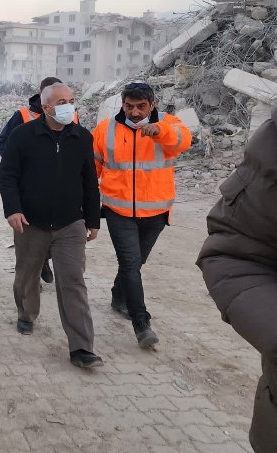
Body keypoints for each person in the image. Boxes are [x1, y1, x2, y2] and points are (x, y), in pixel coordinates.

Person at [198, 94, 277, 452]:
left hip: (153, 214)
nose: (136, 112)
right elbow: (237, 254)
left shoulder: (165, 125)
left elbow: (176, 142)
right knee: (123, 270)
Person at [0, 82, 103, 368]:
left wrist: (92, 219)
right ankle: (26, 314)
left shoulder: (82, 137)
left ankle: (82, 347)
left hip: (71, 224)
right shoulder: (23, 136)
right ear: (45, 108)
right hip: (31, 223)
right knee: (26, 275)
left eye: (71, 100)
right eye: (61, 102)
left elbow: (89, 182)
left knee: (73, 281)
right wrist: (13, 210)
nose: (68, 106)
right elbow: (7, 176)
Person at [92, 82, 191, 349]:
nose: (135, 112)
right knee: (130, 263)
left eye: (141, 107)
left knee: (136, 262)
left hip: (156, 212)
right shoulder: (105, 130)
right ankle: (141, 323)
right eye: (129, 106)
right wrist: (85, 207)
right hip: (118, 211)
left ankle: (118, 295)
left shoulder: (171, 124)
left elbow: (184, 142)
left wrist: (159, 131)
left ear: (153, 104)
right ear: (122, 104)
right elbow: (91, 172)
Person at [0, 76, 69, 285]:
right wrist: (17, 159)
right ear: (43, 94)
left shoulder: (69, 116)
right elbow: (3, 142)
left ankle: (44, 260)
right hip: (28, 186)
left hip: (59, 185)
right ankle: (36, 268)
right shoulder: (22, 115)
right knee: (31, 232)